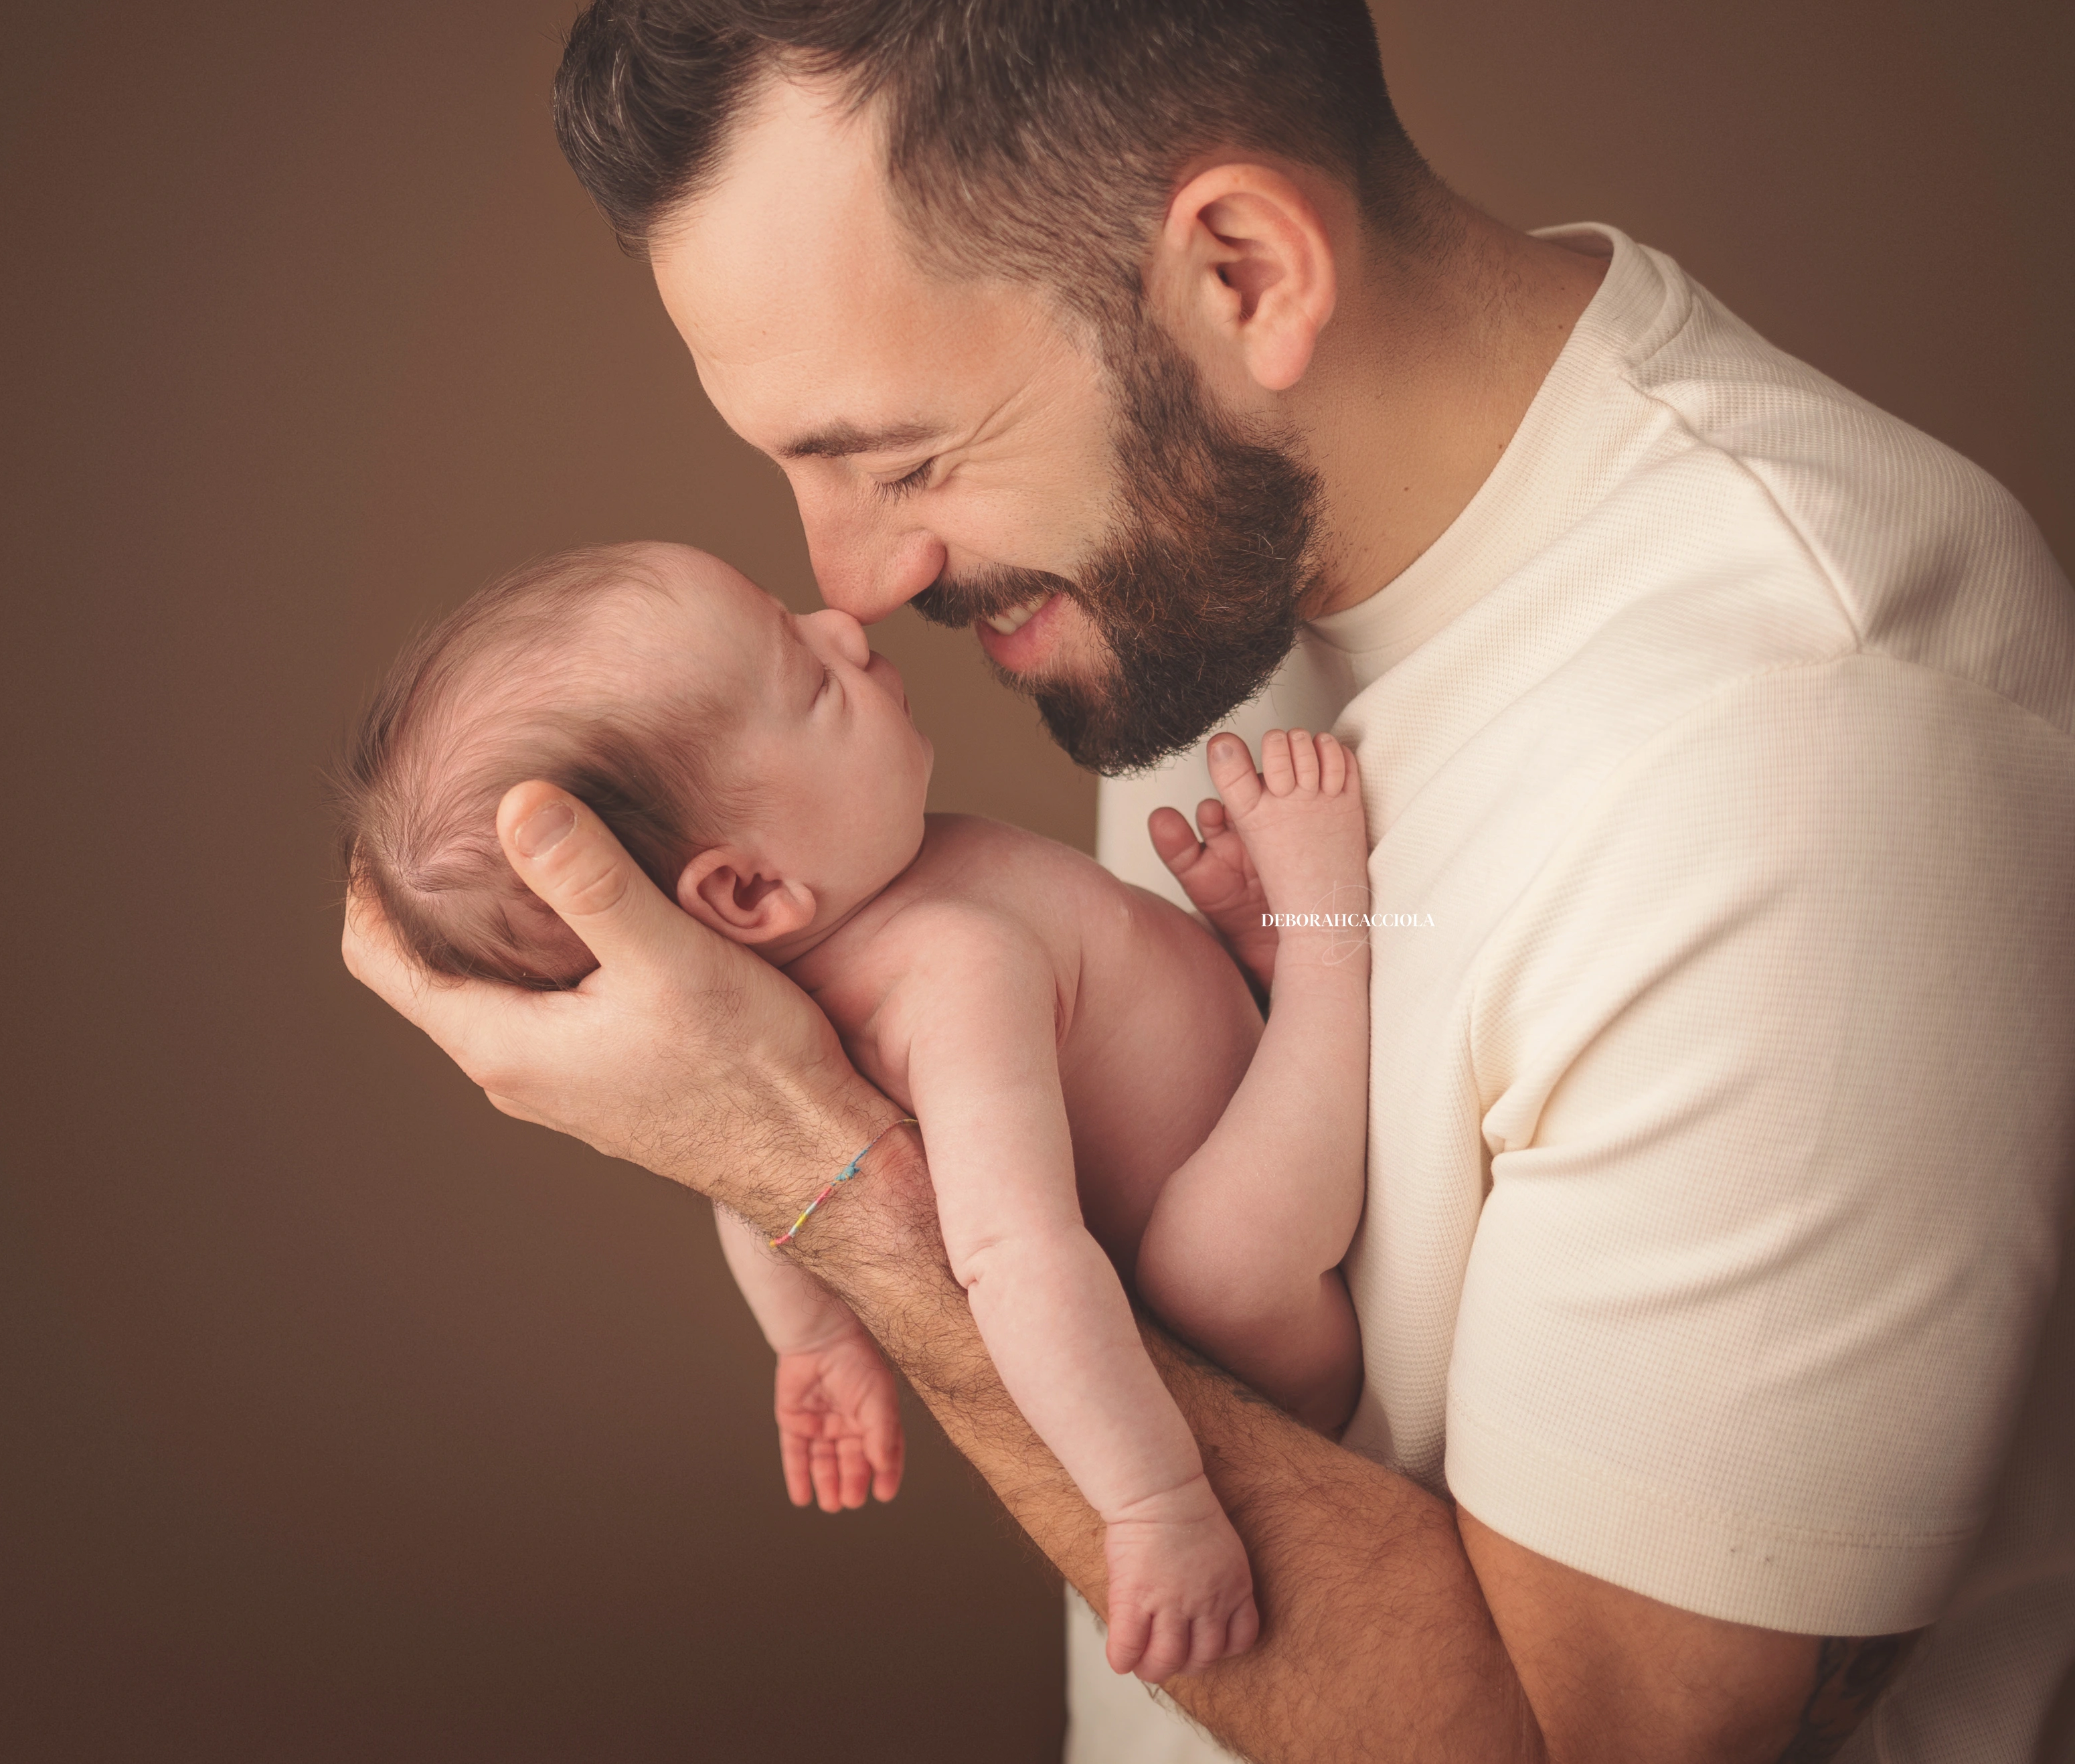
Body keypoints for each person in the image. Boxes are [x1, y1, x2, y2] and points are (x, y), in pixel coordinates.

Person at [341, 0, 2075, 1764]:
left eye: (902, 452)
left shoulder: (1819, 757)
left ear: (1236, 270)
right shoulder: (1195, 582)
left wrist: (808, 1166)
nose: (847, 584)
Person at [336, 540, 1376, 1682]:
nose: (845, 624)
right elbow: (1013, 1259)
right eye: (813, 680)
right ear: (748, 890)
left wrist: (815, 1334)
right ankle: (1335, 955)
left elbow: (750, 1184)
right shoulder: (946, 972)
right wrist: (1157, 1505)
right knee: (1212, 1259)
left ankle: (1269, 960)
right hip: (1272, 1355)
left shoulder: (828, 956)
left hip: (1233, 1087)